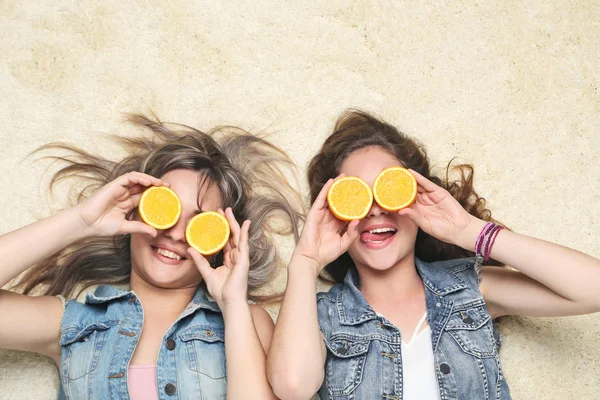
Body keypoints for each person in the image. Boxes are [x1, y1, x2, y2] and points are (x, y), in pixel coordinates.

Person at [267, 109, 600, 400]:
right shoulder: (322, 318)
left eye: (389, 190)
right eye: (356, 196)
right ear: (331, 212)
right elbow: (292, 386)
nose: (374, 210)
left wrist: (469, 231)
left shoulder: (470, 289)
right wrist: (306, 263)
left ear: (416, 195)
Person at [0, 114, 303, 400]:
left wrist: (233, 302)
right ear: (133, 213)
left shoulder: (247, 321)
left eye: (200, 224)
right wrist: (83, 222)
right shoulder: (75, 324)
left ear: (222, 243)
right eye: (164, 211)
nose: (176, 234)